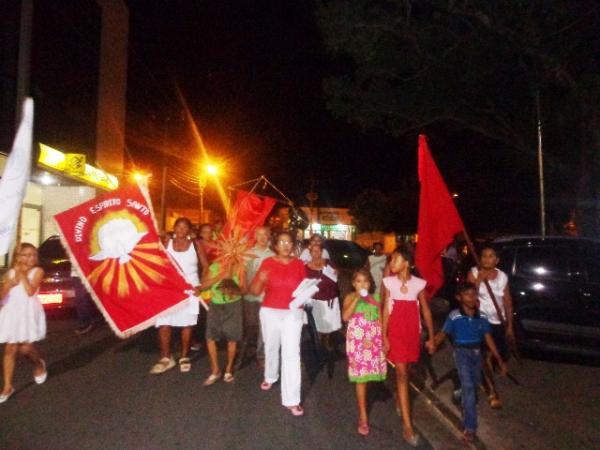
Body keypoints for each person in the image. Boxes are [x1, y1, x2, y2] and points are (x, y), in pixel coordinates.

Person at [432, 282, 507, 443]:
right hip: (461, 353)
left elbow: (488, 338)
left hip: (477, 353)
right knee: (468, 387)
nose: (471, 298)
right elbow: (443, 333)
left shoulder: (483, 317)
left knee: (473, 385)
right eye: (467, 294)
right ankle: (470, 428)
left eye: (474, 294)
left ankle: (460, 394)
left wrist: (498, 359)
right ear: (459, 298)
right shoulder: (454, 316)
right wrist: (433, 343)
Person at [382, 246, 435, 447]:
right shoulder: (389, 283)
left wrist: (431, 337)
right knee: (402, 373)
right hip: (395, 332)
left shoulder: (418, 284)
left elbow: (426, 311)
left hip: (412, 333)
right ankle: (407, 426)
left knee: (408, 370)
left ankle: (399, 398)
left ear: (407, 263)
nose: (391, 263)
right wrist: (384, 336)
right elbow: (386, 311)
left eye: (395, 259)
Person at [250, 231, 307, 416]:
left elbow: (305, 288)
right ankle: (270, 375)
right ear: (275, 245)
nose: (285, 245)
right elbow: (255, 290)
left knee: (292, 353)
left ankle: (292, 400)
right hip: (270, 311)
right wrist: (261, 279)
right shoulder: (267, 263)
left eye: (289, 242)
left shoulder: (299, 264)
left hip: (293, 312)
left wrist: (307, 294)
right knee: (271, 346)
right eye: (281, 241)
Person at [150, 217, 208, 375]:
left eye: (185, 227)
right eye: (179, 227)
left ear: (189, 230)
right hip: (168, 289)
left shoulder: (196, 245)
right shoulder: (165, 243)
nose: (181, 230)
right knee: (164, 323)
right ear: (174, 228)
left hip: (190, 289)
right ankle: (165, 357)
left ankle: (184, 356)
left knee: (187, 324)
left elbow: (206, 267)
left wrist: (200, 286)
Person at [466, 244, 514, 409]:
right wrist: (478, 281)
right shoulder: (473, 273)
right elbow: (467, 296)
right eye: (484, 256)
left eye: (491, 256)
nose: (487, 259)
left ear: (497, 260)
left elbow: (507, 302)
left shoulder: (502, 277)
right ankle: (492, 392)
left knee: (493, 354)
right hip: (480, 321)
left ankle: (483, 376)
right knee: (484, 355)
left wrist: (509, 326)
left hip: (497, 322)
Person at [0, 243, 48, 403]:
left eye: (33, 255)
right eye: (26, 255)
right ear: (18, 256)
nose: (30, 258)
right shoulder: (10, 272)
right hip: (11, 311)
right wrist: (8, 284)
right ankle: (7, 386)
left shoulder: (38, 271)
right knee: (10, 348)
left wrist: (22, 276)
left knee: (26, 347)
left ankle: (39, 364)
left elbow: (30, 291)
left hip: (28, 312)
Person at [343, 268, 387, 436]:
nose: (363, 284)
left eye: (366, 281)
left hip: (373, 343)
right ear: (354, 284)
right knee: (361, 379)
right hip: (357, 343)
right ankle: (363, 416)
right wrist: (357, 299)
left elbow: (381, 320)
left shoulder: (375, 298)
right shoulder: (349, 297)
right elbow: (346, 317)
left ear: (370, 283)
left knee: (371, 377)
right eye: (359, 281)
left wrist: (384, 341)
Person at [201, 261, 245, 386]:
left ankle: (228, 369)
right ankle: (215, 370)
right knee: (210, 337)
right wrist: (220, 276)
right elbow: (203, 286)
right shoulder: (213, 266)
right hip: (215, 305)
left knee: (232, 338)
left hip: (234, 306)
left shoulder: (239, 266)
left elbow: (243, 289)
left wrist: (233, 291)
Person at [239, 226, 274, 368]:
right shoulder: (247, 253)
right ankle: (247, 349)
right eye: (259, 234)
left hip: (266, 297)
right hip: (249, 296)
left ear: (269, 236)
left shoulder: (272, 255)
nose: (262, 237)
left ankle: (261, 355)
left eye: (265, 234)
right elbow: (241, 273)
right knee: (250, 325)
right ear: (255, 236)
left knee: (263, 327)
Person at [305, 241, 341, 350]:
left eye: (319, 250)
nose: (317, 253)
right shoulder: (306, 267)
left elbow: (337, 273)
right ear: (310, 252)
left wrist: (337, 272)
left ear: (322, 252)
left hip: (331, 297)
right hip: (317, 299)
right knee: (318, 322)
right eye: (314, 251)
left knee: (330, 322)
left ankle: (327, 340)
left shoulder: (328, 263)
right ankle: (318, 343)